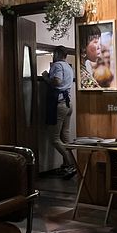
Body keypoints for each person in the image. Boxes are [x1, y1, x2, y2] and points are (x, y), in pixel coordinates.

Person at [46, 46, 77, 178]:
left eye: (54, 53)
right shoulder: (69, 67)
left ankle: (71, 164)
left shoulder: (57, 65)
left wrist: (46, 77)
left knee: (54, 139)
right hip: (68, 104)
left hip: (59, 104)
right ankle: (66, 167)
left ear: (58, 54)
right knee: (65, 136)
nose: (53, 56)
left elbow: (57, 81)